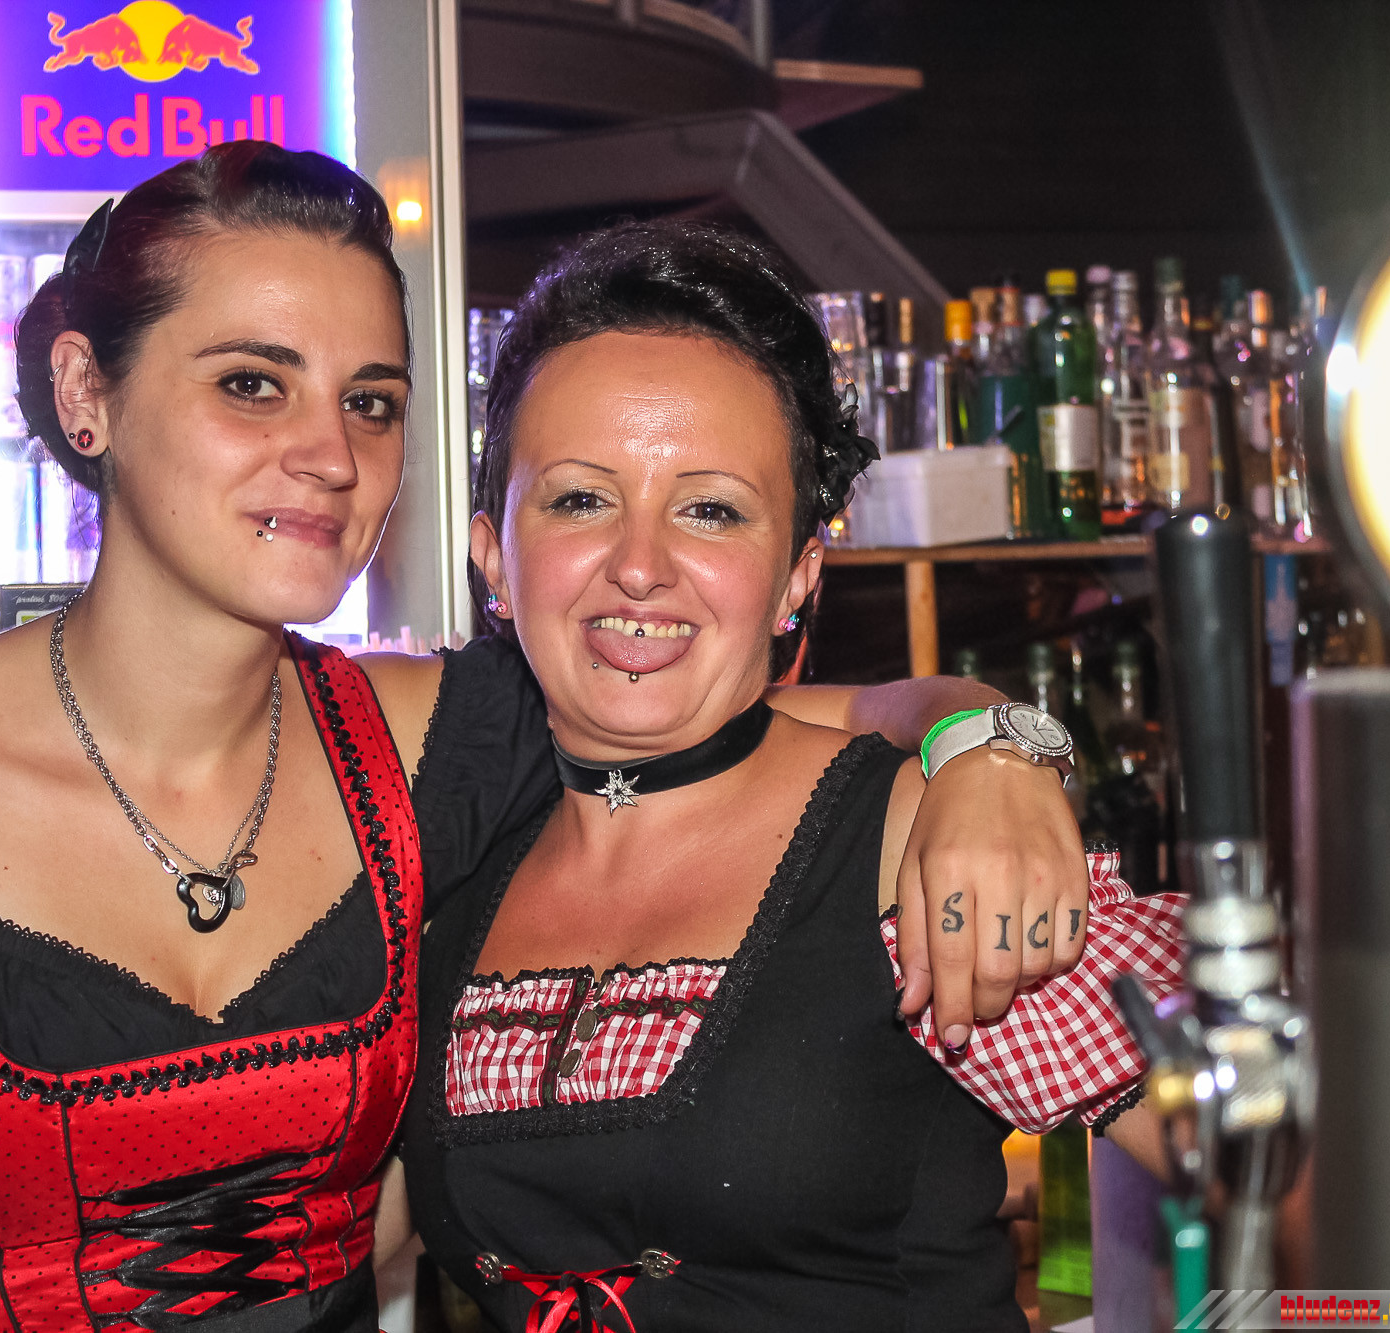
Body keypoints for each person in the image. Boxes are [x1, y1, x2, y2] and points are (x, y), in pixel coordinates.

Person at [0, 145, 1089, 1333]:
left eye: (372, 402)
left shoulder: (427, 744)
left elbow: (750, 711)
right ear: (85, 391)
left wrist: (996, 749)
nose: (329, 455)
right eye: (252, 384)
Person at [398, 220, 1186, 1331]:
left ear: (797, 576)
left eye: (710, 509)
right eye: (579, 499)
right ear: (493, 556)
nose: (639, 564)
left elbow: (1300, 1175)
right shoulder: (456, 864)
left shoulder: (909, 836)